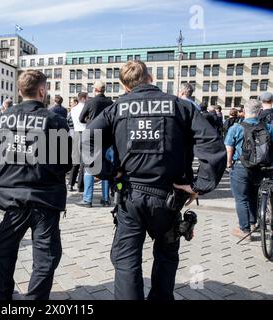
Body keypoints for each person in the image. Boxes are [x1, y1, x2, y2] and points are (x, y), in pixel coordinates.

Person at [84, 60, 226, 300]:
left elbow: (86, 140)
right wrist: (198, 186)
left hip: (130, 198)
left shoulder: (118, 108)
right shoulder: (181, 106)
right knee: (166, 255)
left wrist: (107, 172)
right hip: (168, 198)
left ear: (124, 85)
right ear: (150, 77)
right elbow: (213, 145)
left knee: (127, 259)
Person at [0, 70, 71, 300]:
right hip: (44, 198)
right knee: (45, 258)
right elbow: (65, 162)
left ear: (19, 91)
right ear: (42, 91)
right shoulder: (54, 119)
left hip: (12, 197)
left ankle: (4, 296)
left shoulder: (2, 118)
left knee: (4, 250)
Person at [225, 99, 273, 240]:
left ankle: (245, 230)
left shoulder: (235, 128)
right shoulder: (269, 128)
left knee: (241, 199)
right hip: (262, 168)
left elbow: (229, 148)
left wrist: (228, 164)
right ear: (259, 112)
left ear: (244, 112)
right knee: (253, 195)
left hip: (241, 167)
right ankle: (253, 223)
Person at [77, 81, 113, 207]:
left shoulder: (90, 102)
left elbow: (81, 118)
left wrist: (90, 120)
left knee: (89, 168)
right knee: (106, 167)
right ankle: (105, 198)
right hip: (107, 138)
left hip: (91, 137)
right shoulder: (110, 102)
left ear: (95, 89)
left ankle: (88, 200)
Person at [68, 92, 88, 192]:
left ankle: (70, 184)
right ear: (84, 98)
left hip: (76, 133)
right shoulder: (86, 107)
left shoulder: (73, 109)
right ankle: (80, 186)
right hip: (85, 133)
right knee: (83, 162)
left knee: (75, 161)